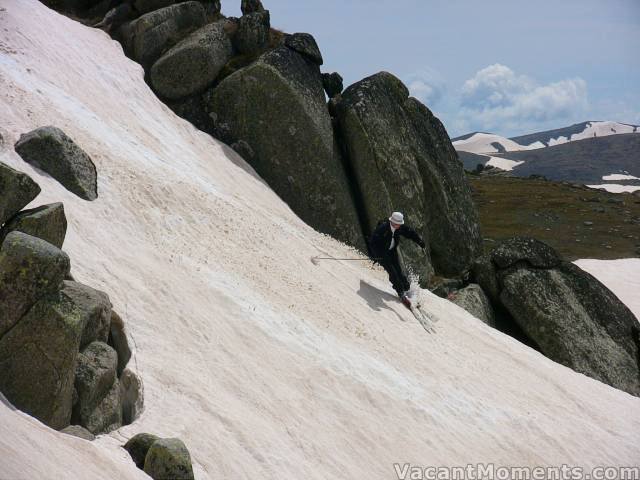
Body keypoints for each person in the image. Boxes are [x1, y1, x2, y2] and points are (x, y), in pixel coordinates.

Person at [369, 211, 426, 308]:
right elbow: (373, 242)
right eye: (397, 224)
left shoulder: (400, 228)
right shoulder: (382, 228)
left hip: (392, 252)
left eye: (400, 224)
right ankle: (401, 293)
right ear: (392, 222)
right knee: (393, 272)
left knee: (399, 271)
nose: (399, 226)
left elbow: (410, 233)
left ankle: (407, 289)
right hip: (382, 253)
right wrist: (377, 255)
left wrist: (420, 242)